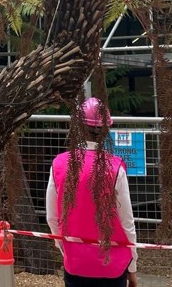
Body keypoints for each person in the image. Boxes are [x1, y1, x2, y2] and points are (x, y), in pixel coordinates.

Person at [46, 98, 138, 287]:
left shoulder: (59, 164)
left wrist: (65, 249)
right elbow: (127, 222)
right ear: (106, 131)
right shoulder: (115, 167)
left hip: (75, 262)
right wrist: (132, 266)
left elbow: (52, 217)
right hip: (112, 264)